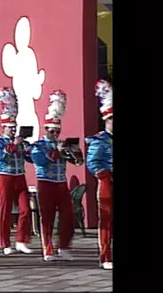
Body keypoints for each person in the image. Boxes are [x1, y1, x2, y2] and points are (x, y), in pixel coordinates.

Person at [31, 90, 84, 262]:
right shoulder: (39, 145)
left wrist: (76, 152)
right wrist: (56, 151)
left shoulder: (63, 145)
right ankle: (48, 249)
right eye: (52, 131)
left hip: (61, 184)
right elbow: (39, 161)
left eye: (57, 131)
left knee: (68, 215)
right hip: (46, 183)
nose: (55, 135)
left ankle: (64, 246)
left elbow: (78, 163)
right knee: (47, 217)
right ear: (45, 130)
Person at [0, 87, 34, 255]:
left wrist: (26, 148)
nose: (12, 130)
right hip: (6, 177)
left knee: (25, 209)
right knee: (5, 209)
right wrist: (13, 146)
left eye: (14, 127)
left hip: (20, 177)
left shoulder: (19, 141)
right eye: (10, 127)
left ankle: (22, 240)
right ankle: (5, 243)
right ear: (4, 127)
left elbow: (30, 158)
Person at [85, 80, 113, 270]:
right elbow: (92, 162)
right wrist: (103, 174)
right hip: (107, 182)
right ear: (107, 120)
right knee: (107, 220)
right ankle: (105, 256)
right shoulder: (99, 140)